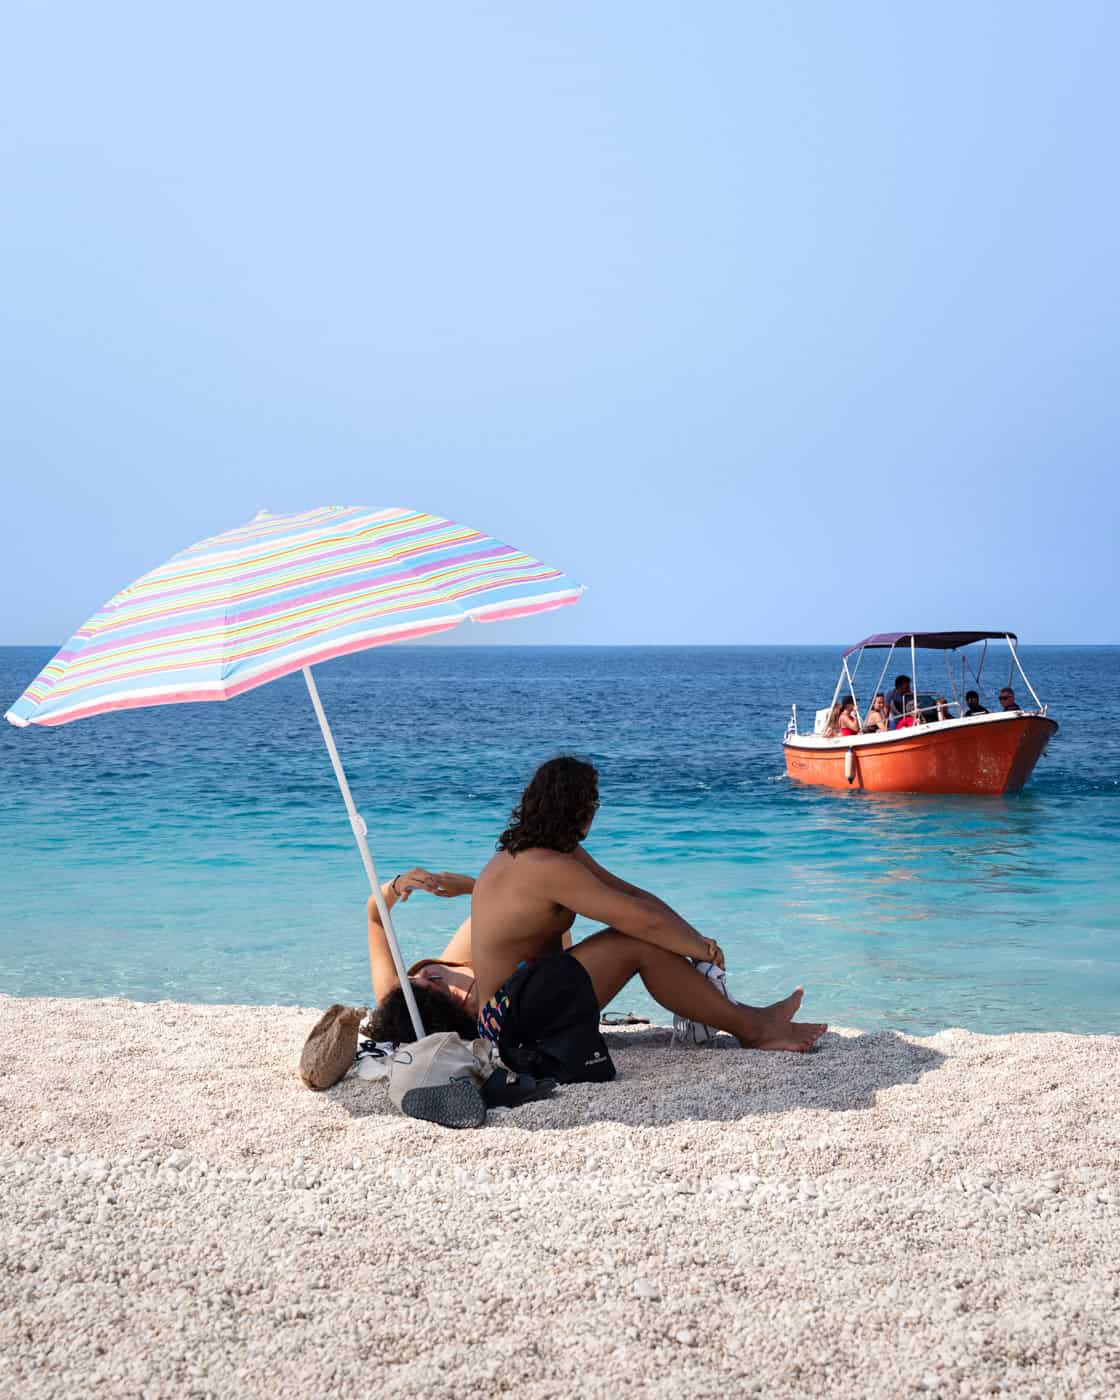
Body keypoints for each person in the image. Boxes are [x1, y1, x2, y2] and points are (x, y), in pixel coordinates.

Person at [365, 757, 827, 1066]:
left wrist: (695, 938)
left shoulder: (550, 853)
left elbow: (631, 895)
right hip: (507, 1024)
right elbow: (633, 921)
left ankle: (751, 1018)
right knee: (634, 943)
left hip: (533, 997)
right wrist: (696, 947)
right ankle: (753, 1030)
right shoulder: (545, 866)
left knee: (645, 936)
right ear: (579, 811)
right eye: (594, 804)